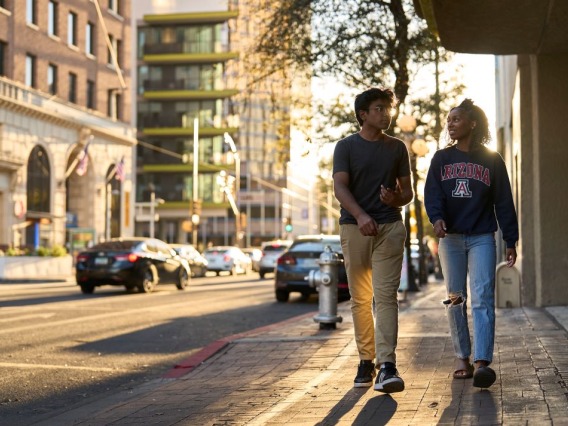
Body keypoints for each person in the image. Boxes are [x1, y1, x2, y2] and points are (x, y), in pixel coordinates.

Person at [424, 98, 519, 388]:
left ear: (472, 123)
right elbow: (432, 194)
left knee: (483, 297)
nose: (450, 124)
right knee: (455, 299)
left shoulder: (492, 159)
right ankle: (461, 357)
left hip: (481, 238)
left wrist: (510, 239)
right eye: (448, 119)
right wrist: (437, 218)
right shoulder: (441, 159)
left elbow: (503, 201)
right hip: (450, 239)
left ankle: (481, 362)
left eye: (456, 119)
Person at [333, 87, 413, 393]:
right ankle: (366, 360)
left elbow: (408, 193)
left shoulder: (397, 148)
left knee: (386, 298)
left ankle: (387, 365)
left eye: (388, 109)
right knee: (361, 300)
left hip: (390, 228)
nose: (386, 114)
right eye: (379, 109)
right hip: (355, 228)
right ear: (363, 115)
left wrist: (397, 197)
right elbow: (340, 187)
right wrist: (361, 215)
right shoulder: (346, 147)